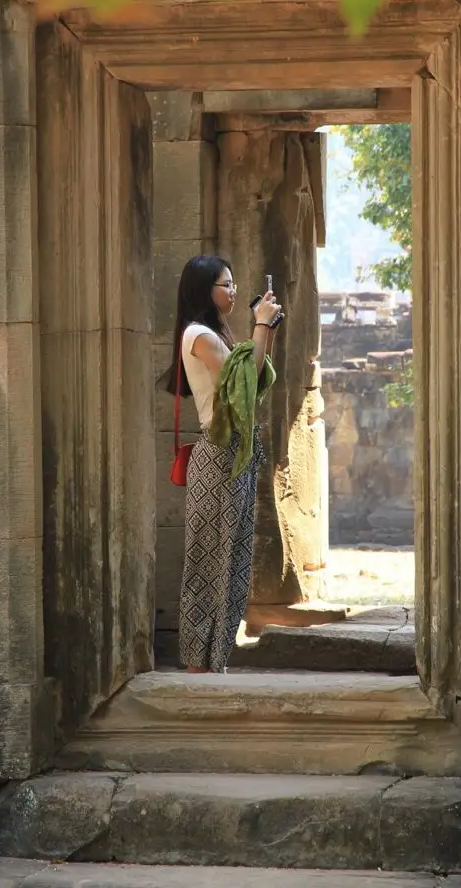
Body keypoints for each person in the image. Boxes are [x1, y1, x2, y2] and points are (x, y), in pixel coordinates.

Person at [166, 255, 282, 673]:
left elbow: (250, 384)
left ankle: (215, 658)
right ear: (204, 290)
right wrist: (262, 326)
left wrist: (263, 330)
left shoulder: (217, 334)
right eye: (225, 285)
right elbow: (243, 384)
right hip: (217, 455)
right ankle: (198, 660)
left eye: (233, 285)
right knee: (208, 558)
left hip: (235, 453)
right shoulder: (197, 334)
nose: (232, 291)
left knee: (231, 559)